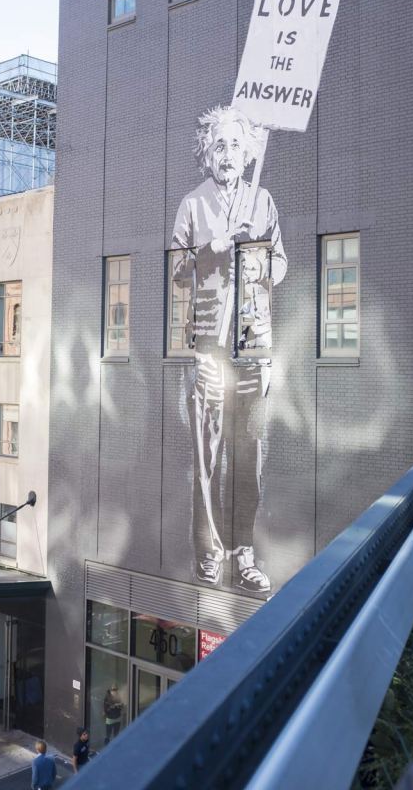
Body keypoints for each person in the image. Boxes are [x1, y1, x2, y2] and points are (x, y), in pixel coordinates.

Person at [171, 106, 287, 593]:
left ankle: (244, 552)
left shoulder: (262, 202)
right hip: (208, 349)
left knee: (249, 454)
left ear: (248, 153)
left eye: (236, 146)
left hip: (253, 345)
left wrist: (258, 265)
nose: (228, 154)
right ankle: (209, 552)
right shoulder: (193, 206)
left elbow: (280, 263)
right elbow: (176, 270)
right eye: (219, 145)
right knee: (208, 456)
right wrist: (214, 248)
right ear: (207, 153)